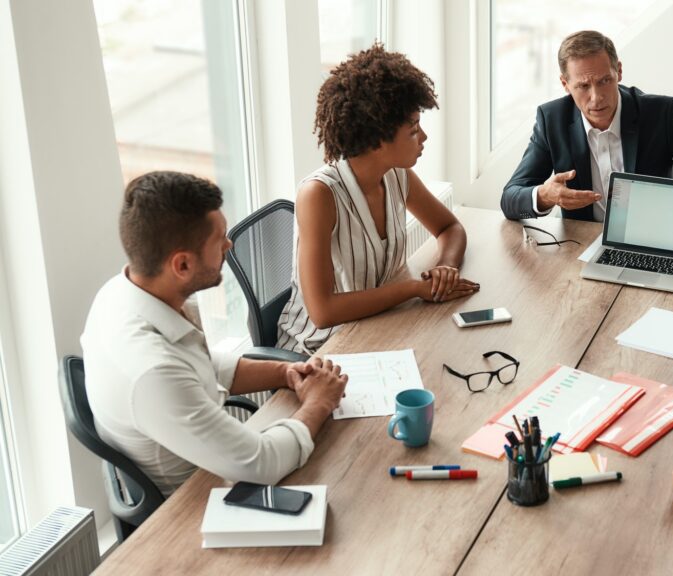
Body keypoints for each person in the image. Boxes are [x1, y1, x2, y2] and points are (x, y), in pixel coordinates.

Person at [81, 171, 347, 496]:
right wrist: (318, 402)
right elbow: (261, 465)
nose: (229, 244)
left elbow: (202, 363)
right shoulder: (153, 372)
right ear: (182, 265)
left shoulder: (123, 292)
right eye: (219, 239)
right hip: (197, 505)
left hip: (215, 463)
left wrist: (285, 372)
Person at [501, 30, 673, 290]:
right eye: (583, 85)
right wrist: (545, 196)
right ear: (565, 84)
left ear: (618, 70)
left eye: (605, 80)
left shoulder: (661, 113)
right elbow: (510, 197)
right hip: (580, 254)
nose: (596, 97)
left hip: (656, 247)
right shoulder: (552, 120)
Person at [277, 45, 479, 354]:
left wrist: (445, 269)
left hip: (379, 328)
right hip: (318, 352)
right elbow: (323, 312)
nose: (423, 137)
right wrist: (413, 289)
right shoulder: (319, 195)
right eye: (413, 130)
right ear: (376, 140)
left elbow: (449, 227)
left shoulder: (396, 174)